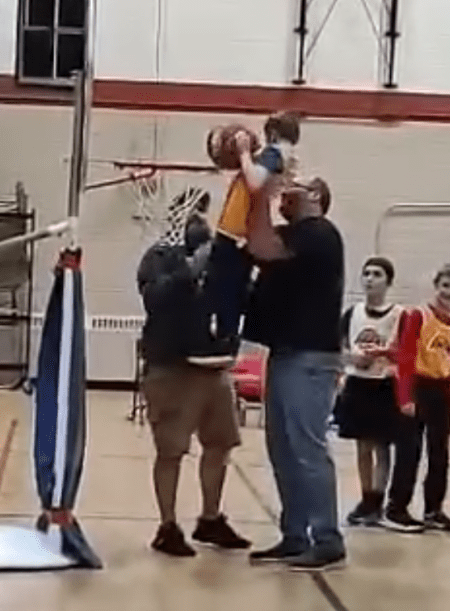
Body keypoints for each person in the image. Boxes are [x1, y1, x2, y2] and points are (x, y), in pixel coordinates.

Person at [244, 176, 346, 570]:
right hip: (286, 353)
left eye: (296, 188)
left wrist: (260, 192)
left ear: (316, 197)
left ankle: (326, 538)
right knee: (282, 450)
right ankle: (294, 534)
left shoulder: (320, 234)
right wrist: (256, 191)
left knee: (306, 449)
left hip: (311, 356)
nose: (285, 192)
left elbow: (265, 247)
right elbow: (255, 242)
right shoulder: (291, 235)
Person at [136, 216, 251, 557]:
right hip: (172, 367)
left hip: (215, 368)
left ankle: (210, 518)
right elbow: (154, 299)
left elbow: (239, 300)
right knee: (171, 451)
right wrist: (189, 270)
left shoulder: (221, 260)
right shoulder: (158, 257)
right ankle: (167, 527)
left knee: (220, 444)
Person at [382, 263, 450, 534]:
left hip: (441, 389)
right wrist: (405, 396)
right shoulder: (417, 315)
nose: (449, 291)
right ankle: (396, 508)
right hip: (418, 385)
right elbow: (406, 356)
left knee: (439, 453)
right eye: (445, 285)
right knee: (409, 451)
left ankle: (434, 508)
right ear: (436, 285)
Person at [203, 112, 300, 352]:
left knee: (220, 298)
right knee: (229, 297)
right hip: (243, 238)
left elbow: (255, 182)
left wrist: (245, 151)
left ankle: (223, 346)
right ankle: (227, 340)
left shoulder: (275, 153)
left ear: (273, 134)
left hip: (236, 238)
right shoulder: (279, 158)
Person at [333, 257, 405, 527]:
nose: (370, 279)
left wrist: (384, 354)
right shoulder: (352, 314)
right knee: (362, 445)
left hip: (384, 384)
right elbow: (337, 349)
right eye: (366, 274)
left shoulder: (398, 315)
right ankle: (365, 498)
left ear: (388, 281)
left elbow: (405, 352)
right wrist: (353, 359)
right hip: (357, 383)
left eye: (377, 274)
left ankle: (378, 497)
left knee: (382, 446)